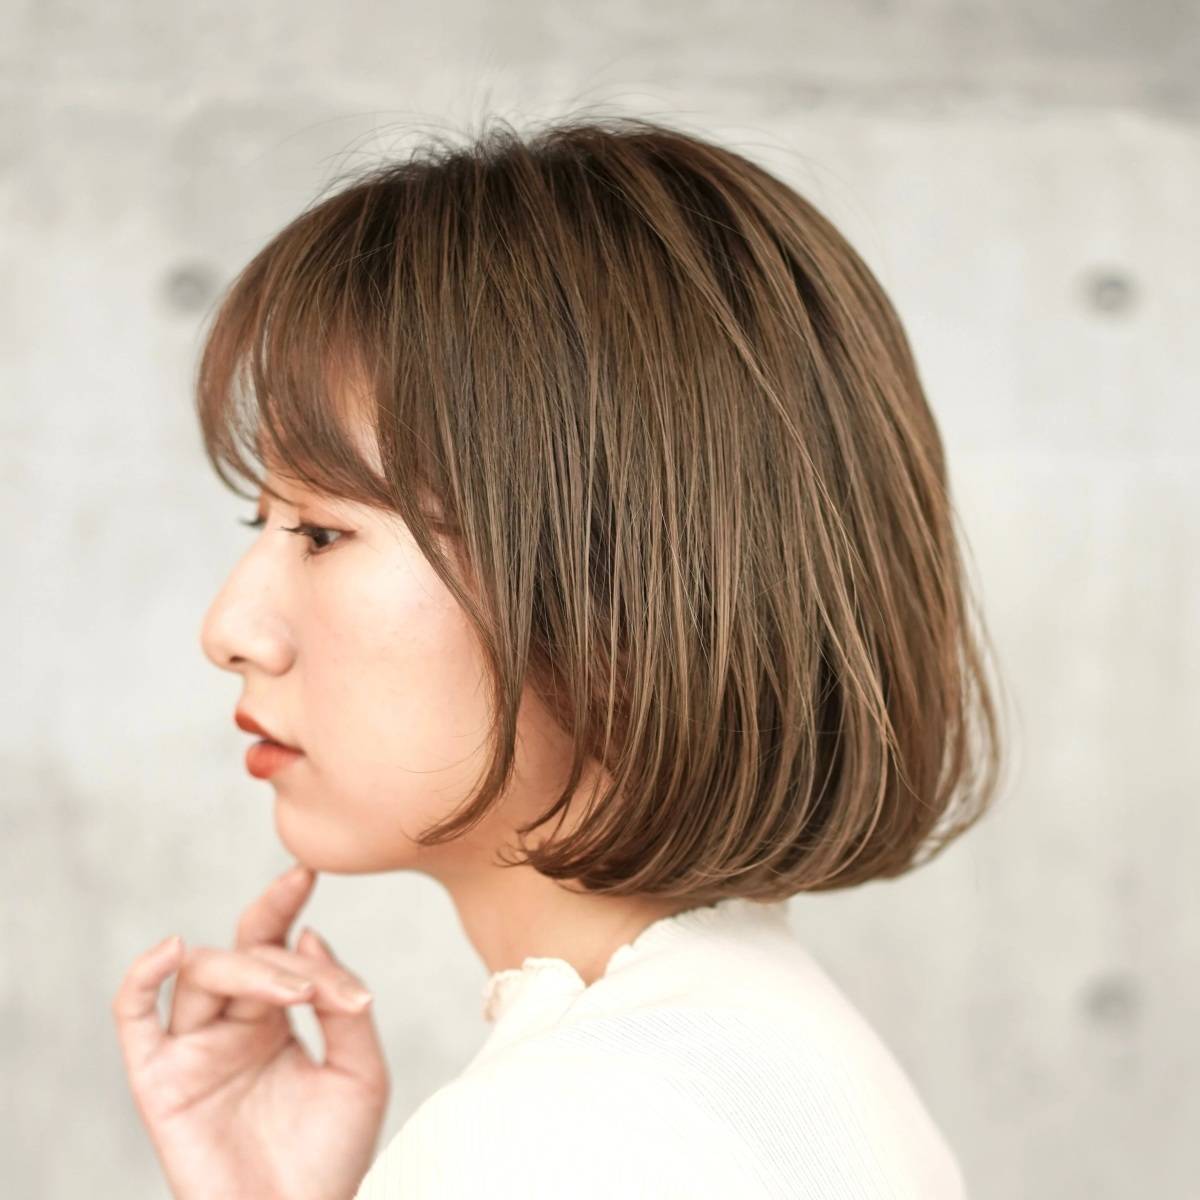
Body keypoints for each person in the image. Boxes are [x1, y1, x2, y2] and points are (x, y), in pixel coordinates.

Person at [111, 112, 1005, 1198]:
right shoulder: (778, 1057)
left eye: (322, 532)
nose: (230, 629)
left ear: (617, 588)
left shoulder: (557, 1137)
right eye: (258, 523)